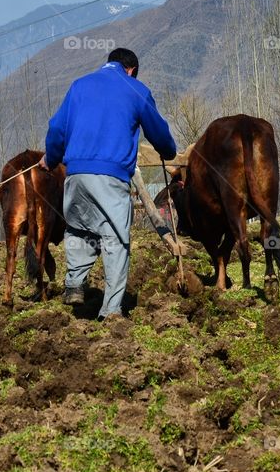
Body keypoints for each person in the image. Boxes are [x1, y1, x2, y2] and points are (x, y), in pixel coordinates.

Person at [40, 48, 177, 320]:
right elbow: (160, 134)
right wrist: (168, 150)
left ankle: (75, 284)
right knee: (115, 239)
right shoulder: (135, 89)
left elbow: (57, 129)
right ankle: (111, 311)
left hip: (76, 173)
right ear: (131, 70)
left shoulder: (79, 86)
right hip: (110, 175)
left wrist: (52, 157)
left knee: (79, 229)